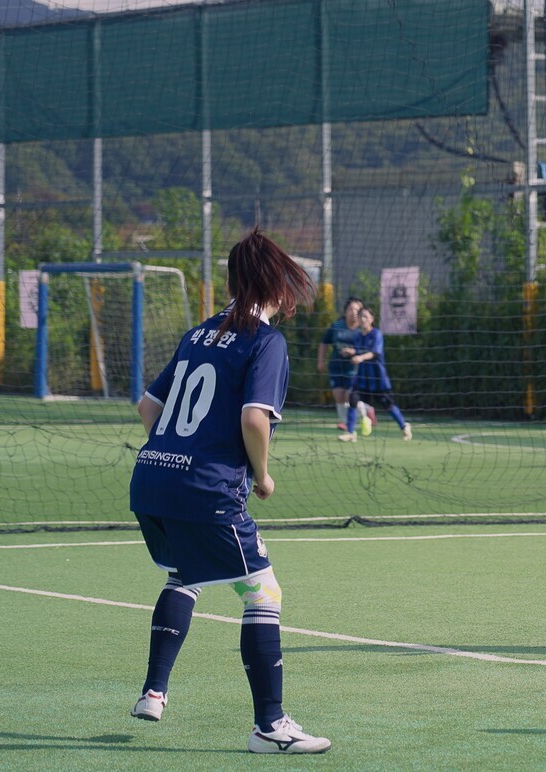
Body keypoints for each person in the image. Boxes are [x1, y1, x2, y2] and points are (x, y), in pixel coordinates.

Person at [128, 229, 330, 754]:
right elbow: (253, 419)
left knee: (186, 573)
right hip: (206, 489)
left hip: (151, 477)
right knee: (263, 593)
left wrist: (177, 453)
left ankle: (154, 691)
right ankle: (271, 726)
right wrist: (262, 475)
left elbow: (149, 408)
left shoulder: (197, 334)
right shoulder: (266, 341)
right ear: (278, 285)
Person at [338, 306, 413, 442]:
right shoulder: (358, 337)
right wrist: (352, 352)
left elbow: (374, 353)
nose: (363, 319)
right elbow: (359, 350)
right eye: (361, 316)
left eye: (366, 316)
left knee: (388, 405)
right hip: (362, 379)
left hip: (378, 379)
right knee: (353, 399)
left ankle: (404, 426)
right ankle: (350, 432)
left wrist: (360, 357)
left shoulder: (377, 334)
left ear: (372, 319)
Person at [317, 297, 375, 434]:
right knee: (338, 396)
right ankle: (348, 426)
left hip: (355, 369)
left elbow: (370, 350)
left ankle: (366, 413)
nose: (354, 312)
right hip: (336, 367)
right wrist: (320, 360)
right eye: (351, 309)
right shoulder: (336, 326)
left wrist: (354, 352)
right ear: (345, 311)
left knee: (350, 396)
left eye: (357, 309)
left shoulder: (363, 330)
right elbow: (324, 342)